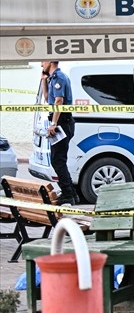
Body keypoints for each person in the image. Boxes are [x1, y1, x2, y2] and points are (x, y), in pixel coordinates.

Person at [38, 59, 79, 205]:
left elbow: (58, 101)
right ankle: (71, 194)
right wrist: (44, 80)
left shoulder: (59, 77)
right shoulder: (52, 78)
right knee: (58, 159)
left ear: (50, 61)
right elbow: (47, 98)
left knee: (58, 160)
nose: (41, 65)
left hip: (62, 122)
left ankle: (68, 194)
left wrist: (54, 123)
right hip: (60, 121)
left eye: (42, 61)